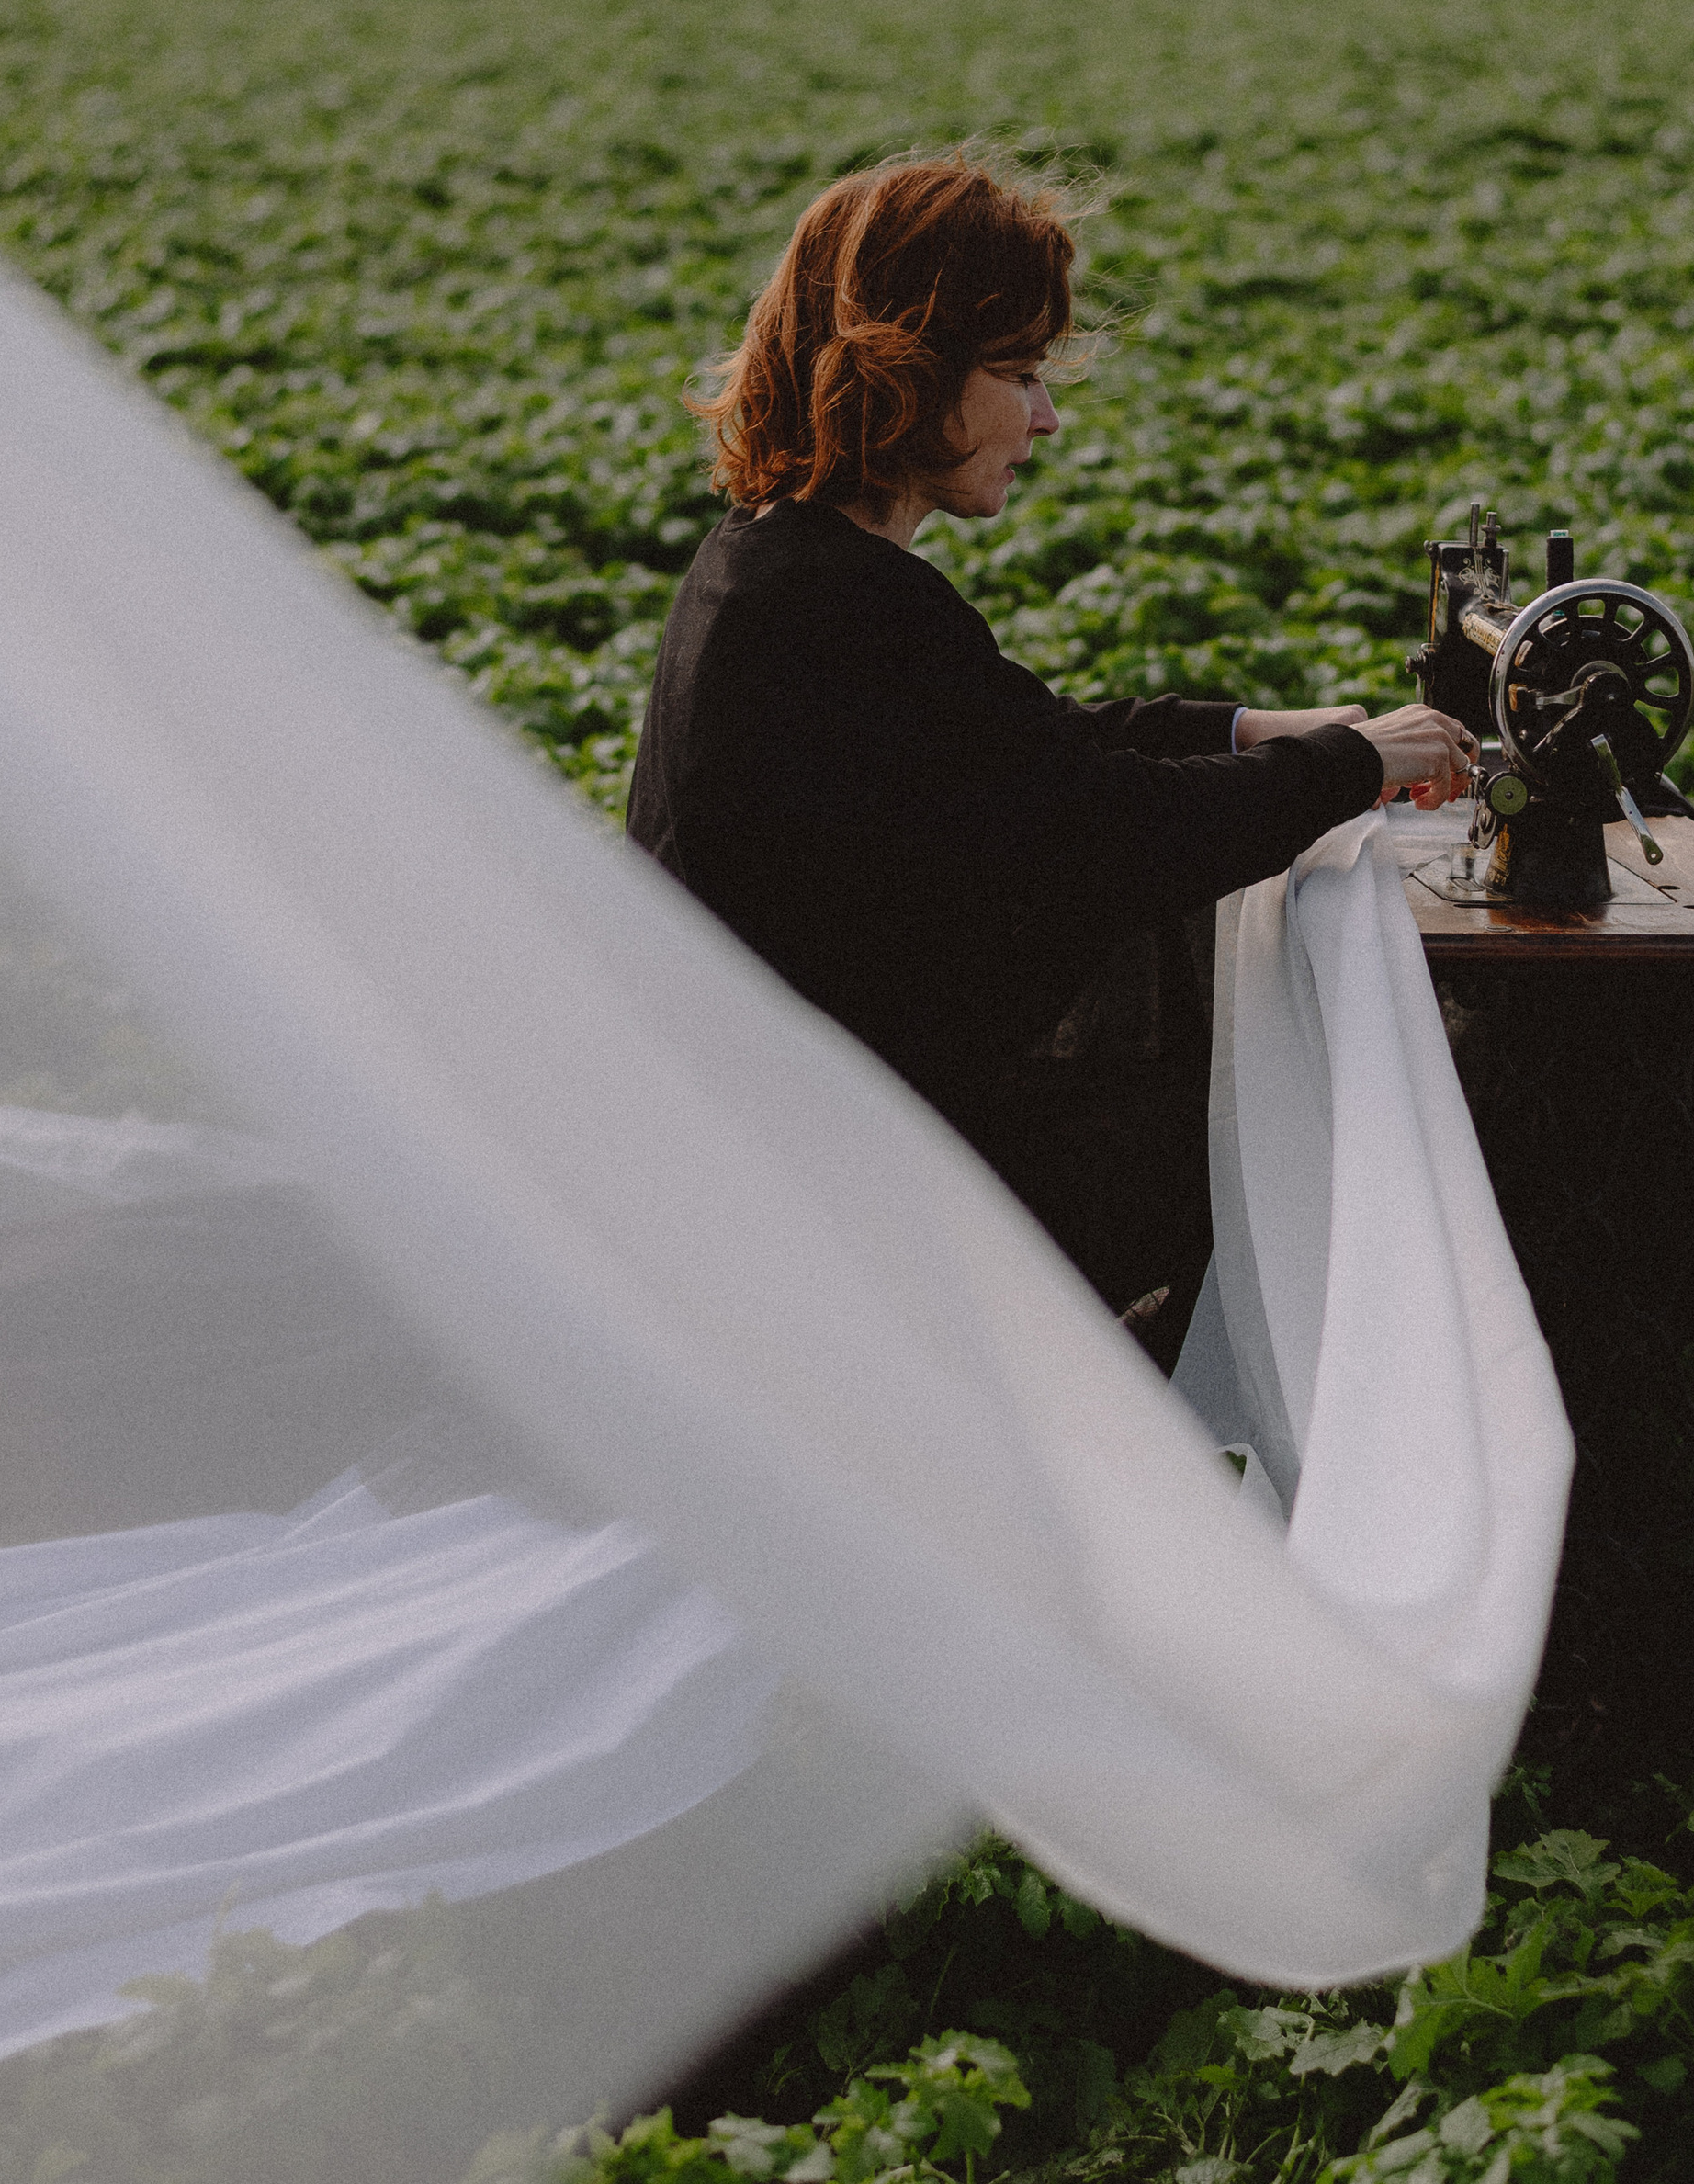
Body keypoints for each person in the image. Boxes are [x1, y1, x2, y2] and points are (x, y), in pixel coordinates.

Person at [627, 156, 1477, 1365]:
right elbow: (1101, 830)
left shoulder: (770, 565)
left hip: (776, 1142)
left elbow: (1028, 749)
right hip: (862, 1187)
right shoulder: (843, 606)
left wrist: (1263, 731)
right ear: (908, 365)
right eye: (1020, 374)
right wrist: (1352, 763)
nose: (1047, 417)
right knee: (1283, 1125)